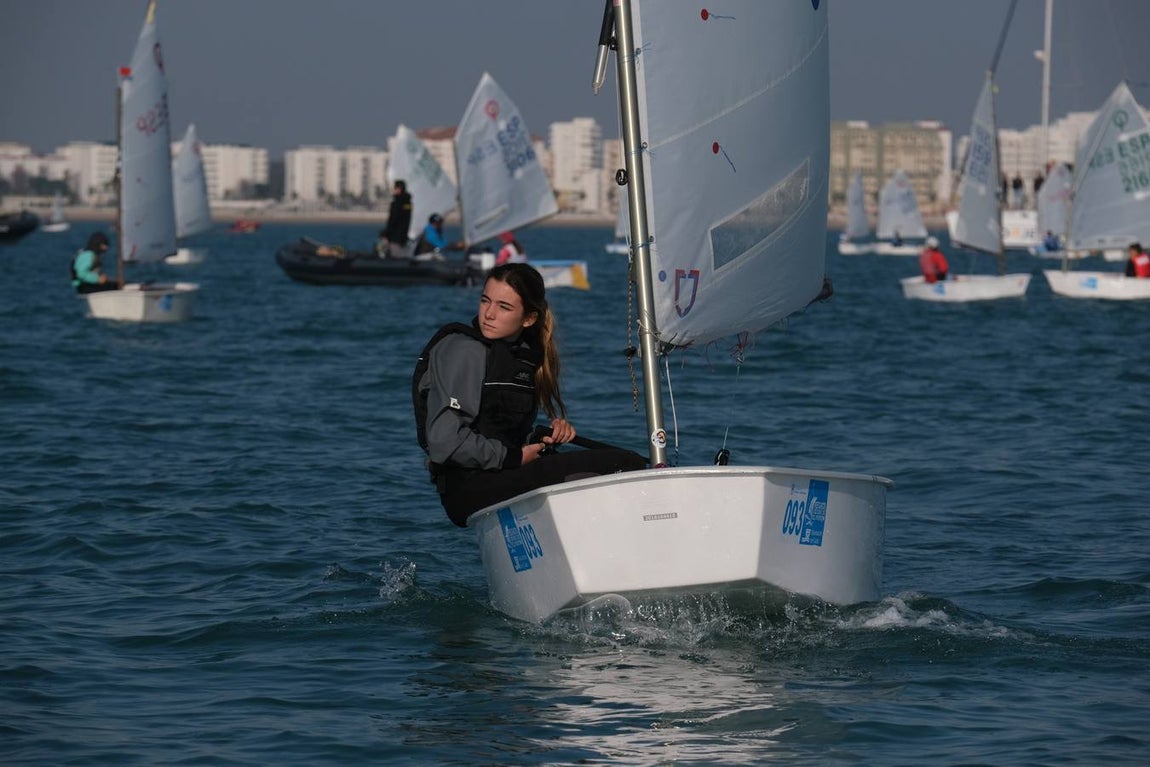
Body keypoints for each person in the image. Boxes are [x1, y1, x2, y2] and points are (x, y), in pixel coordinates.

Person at [415, 263, 647, 527]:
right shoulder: (464, 350)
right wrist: (514, 457)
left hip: (502, 475)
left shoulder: (521, 357)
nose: (488, 314)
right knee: (626, 463)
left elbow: (497, 430)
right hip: (469, 488)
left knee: (627, 459)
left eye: (504, 307)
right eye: (485, 301)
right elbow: (444, 442)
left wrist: (544, 438)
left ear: (528, 319)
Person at [379, 180, 413, 258]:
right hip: (403, 236)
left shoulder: (397, 203)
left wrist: (386, 234)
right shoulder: (408, 203)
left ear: (399, 189)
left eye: (394, 188)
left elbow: (393, 220)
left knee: (396, 257)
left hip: (395, 237)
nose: (393, 190)